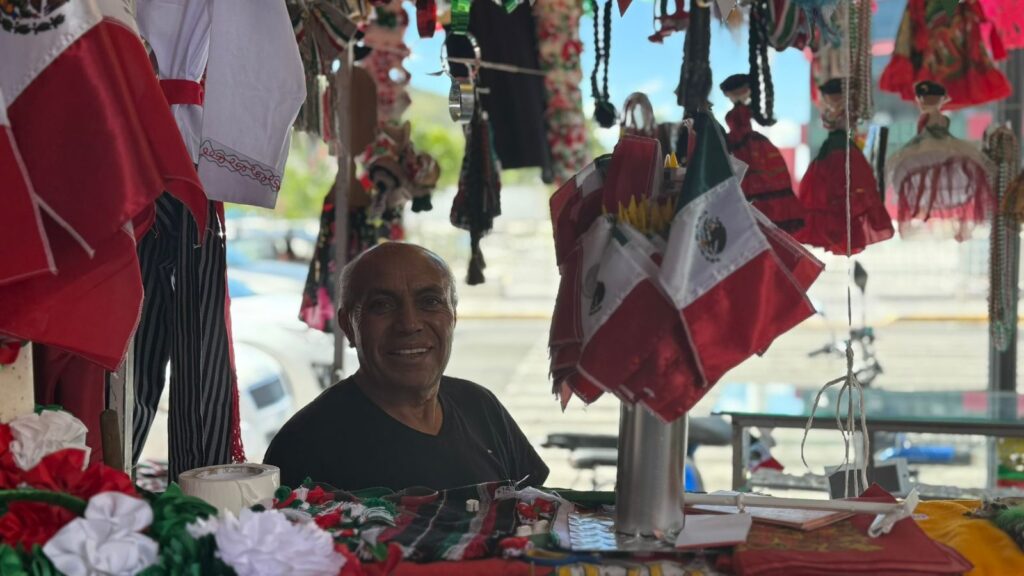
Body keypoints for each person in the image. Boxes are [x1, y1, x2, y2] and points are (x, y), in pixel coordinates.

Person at [264, 242, 549, 490]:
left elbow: (538, 516)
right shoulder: (303, 446)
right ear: (348, 326)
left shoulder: (481, 407)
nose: (409, 324)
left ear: (453, 317)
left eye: (430, 302)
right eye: (382, 305)